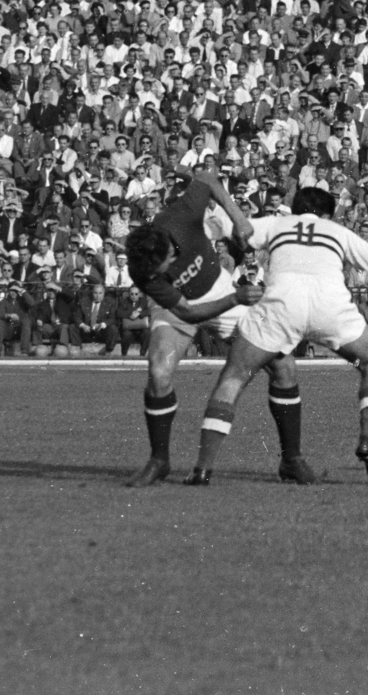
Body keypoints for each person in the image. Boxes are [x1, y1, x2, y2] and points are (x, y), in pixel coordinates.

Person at [183, 186, 368, 485]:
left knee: (233, 376)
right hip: (330, 306)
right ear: (327, 214)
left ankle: (203, 468)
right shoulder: (336, 230)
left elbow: (226, 226)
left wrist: (194, 225)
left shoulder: (275, 223)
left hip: (281, 305)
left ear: (295, 209)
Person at [122, 169, 290, 487]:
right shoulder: (144, 270)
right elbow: (187, 312)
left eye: (166, 265)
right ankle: (159, 461)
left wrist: (239, 217)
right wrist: (235, 298)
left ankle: (292, 460)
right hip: (187, 306)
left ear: (167, 247)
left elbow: (208, 179)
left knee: (282, 364)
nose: (166, 271)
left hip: (217, 287)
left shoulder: (181, 213)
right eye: (160, 271)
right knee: (158, 371)